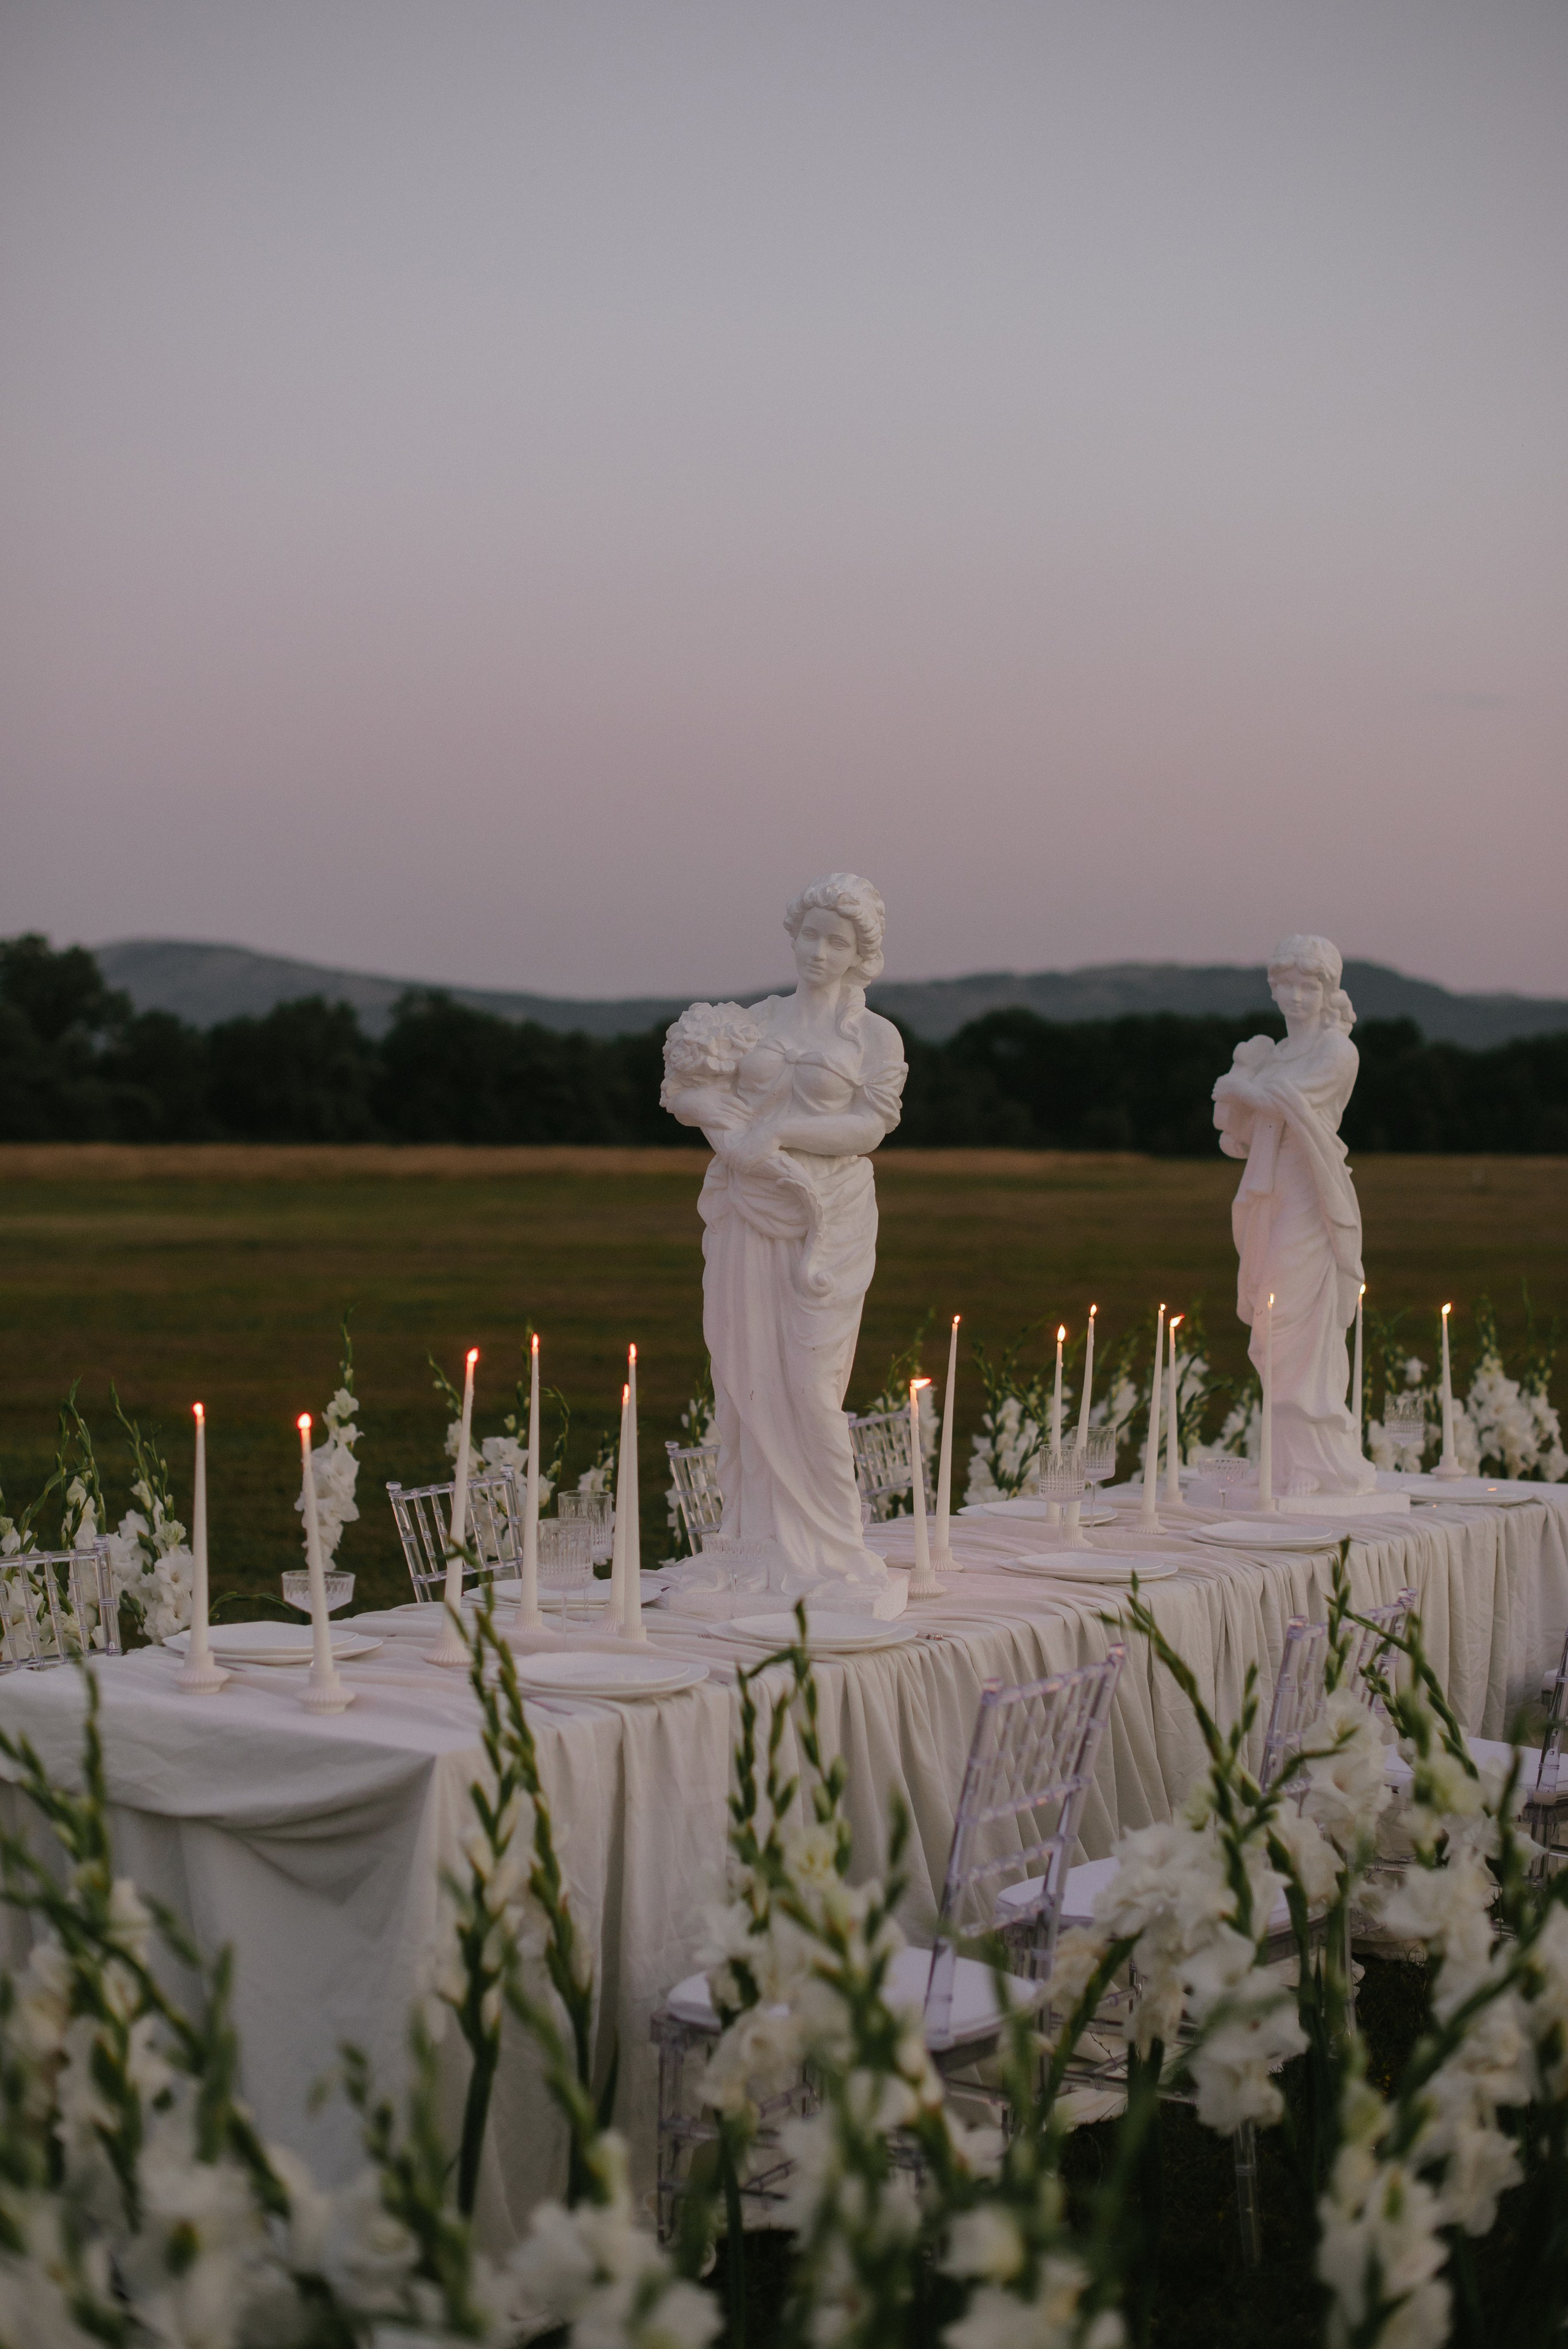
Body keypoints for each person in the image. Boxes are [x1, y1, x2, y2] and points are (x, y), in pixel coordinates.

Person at [661, 873, 908, 1605]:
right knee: (742, 1378)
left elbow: (869, 1127)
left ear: (860, 952)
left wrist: (780, 1129)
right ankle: (750, 1543)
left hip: (826, 1220)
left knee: (808, 1382)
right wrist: (730, 1134)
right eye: (810, 934)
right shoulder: (755, 1020)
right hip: (747, 1211)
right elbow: (686, 1087)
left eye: (837, 940)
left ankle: (831, 1549)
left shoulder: (874, 1036)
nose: (819, 951)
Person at [1212, 934, 1374, 1496]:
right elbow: (1244, 1130)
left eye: (1309, 986)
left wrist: (1243, 1085)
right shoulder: (1276, 1052)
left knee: (1290, 1318)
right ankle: (1284, 1464)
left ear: (1327, 989)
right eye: (1286, 985)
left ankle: (1319, 1462)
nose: (1296, 997)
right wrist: (1238, 1095)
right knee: (1266, 1315)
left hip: (1310, 1191)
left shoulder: (1336, 1051)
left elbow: (1286, 1100)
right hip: (1271, 1187)